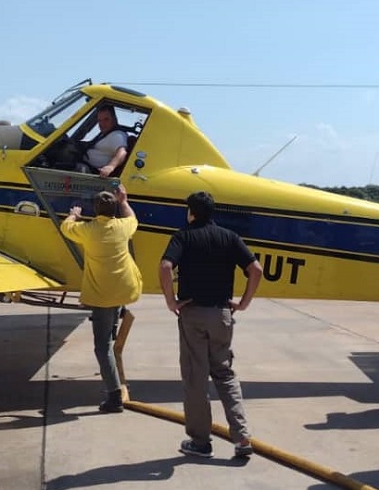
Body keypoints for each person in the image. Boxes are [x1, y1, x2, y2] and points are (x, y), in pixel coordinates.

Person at [159, 191, 263, 459]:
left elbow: (166, 267)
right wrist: (244, 303)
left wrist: (171, 301)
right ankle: (241, 437)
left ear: (191, 212)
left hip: (193, 313)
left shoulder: (183, 236)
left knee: (196, 378)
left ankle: (201, 442)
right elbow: (256, 270)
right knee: (225, 374)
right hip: (221, 314)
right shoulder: (229, 237)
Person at [60, 184, 143, 413]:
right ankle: (115, 321)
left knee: (101, 347)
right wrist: (125, 201)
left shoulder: (88, 230)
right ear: (114, 208)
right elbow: (132, 218)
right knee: (112, 316)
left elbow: (66, 228)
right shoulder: (123, 227)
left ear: (95, 210)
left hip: (103, 295)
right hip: (124, 289)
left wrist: (74, 215)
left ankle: (114, 396)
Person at [78, 105, 129, 177]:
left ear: (114, 119)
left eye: (106, 119)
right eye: (99, 120)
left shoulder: (117, 135)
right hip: (86, 165)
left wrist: (110, 167)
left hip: (93, 172)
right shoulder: (105, 134)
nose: (102, 124)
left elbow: (122, 152)